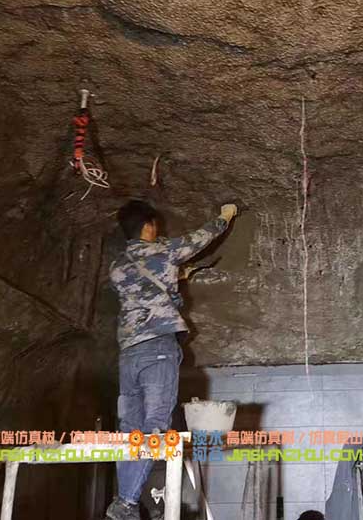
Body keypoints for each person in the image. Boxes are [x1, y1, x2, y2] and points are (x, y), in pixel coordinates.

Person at [104, 200, 238, 520]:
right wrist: (224, 216)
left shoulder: (116, 267)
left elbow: (143, 289)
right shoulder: (162, 251)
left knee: (130, 432)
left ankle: (126, 501)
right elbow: (198, 239)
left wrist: (175, 280)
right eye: (155, 226)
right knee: (155, 427)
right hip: (157, 349)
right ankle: (125, 505)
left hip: (128, 353)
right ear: (148, 226)